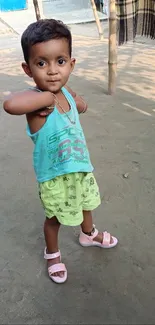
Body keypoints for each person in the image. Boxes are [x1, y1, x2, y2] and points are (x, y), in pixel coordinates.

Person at [3, 19, 118, 284]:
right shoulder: (38, 102)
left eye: (61, 61)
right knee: (53, 219)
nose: (53, 71)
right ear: (28, 69)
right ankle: (52, 254)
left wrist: (74, 99)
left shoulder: (65, 91)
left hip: (80, 169)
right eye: (41, 63)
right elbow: (10, 104)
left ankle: (88, 234)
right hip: (54, 177)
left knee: (87, 205)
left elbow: (82, 106)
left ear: (71, 64)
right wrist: (47, 97)